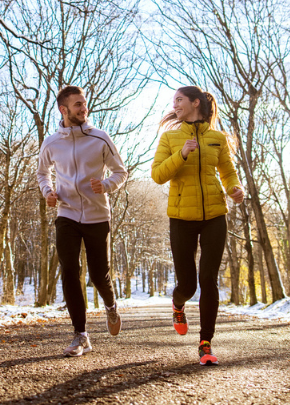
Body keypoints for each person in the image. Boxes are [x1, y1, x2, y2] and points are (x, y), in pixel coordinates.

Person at [151, 86, 245, 366]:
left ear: (195, 103)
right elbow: (157, 175)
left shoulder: (217, 138)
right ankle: (178, 304)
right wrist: (180, 154)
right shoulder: (170, 138)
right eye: (174, 101)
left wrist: (235, 188)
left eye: (179, 100)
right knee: (189, 285)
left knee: (208, 280)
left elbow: (227, 170)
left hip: (215, 214)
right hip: (181, 217)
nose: (175, 105)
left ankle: (206, 343)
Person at [37, 85, 128, 357]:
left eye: (84, 103)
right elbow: (42, 173)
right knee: (69, 270)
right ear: (64, 110)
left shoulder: (100, 138)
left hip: (97, 215)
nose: (83, 108)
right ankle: (81, 335)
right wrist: (48, 192)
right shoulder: (51, 142)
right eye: (77, 105)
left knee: (99, 275)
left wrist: (106, 185)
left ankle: (110, 306)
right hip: (66, 214)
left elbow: (120, 172)